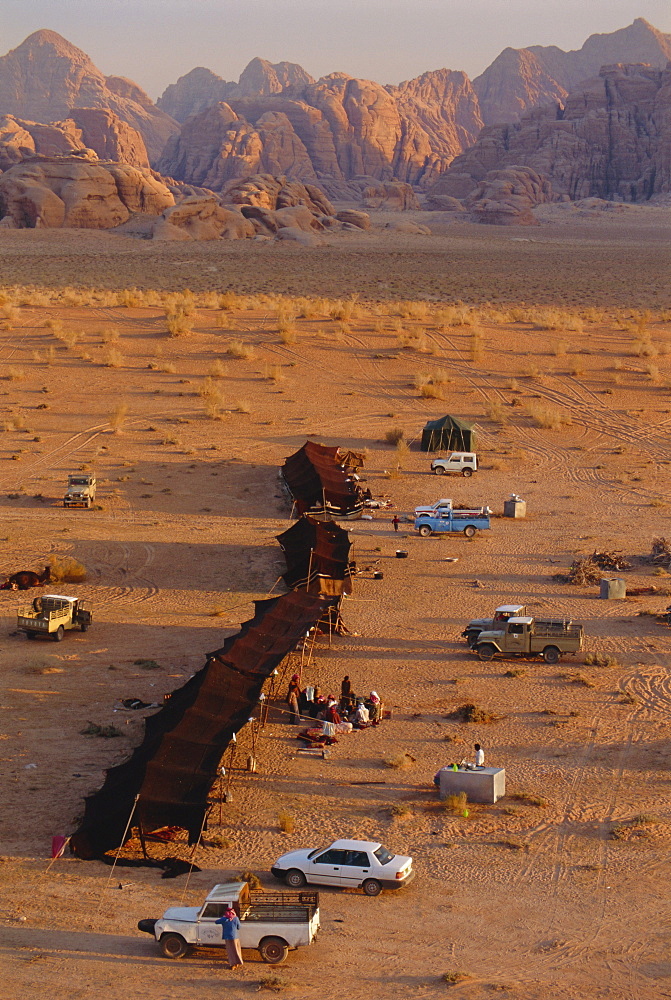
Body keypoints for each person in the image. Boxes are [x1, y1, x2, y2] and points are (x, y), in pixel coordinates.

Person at [215, 906, 243, 970]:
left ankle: (233, 964)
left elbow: (216, 922)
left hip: (227, 937)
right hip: (235, 937)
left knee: (230, 951)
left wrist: (224, 919)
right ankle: (238, 962)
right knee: (236, 950)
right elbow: (239, 927)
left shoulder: (224, 919)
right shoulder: (235, 918)